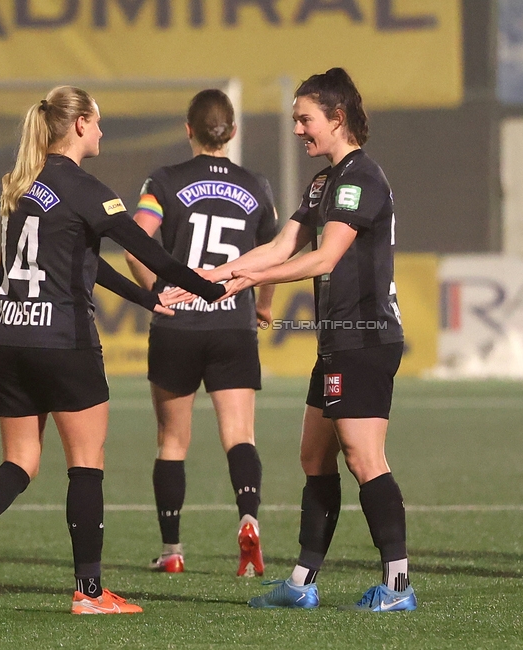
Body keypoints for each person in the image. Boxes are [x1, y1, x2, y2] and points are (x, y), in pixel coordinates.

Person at [0, 85, 225, 616]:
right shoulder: (87, 188)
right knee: (86, 462)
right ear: (82, 124)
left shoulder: (21, 188)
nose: (104, 132)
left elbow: (87, 261)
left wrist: (146, 298)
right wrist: (214, 287)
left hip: (10, 336)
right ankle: (89, 593)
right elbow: (151, 251)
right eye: (99, 122)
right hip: (63, 341)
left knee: (20, 460)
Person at [196, 68, 414, 611]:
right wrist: (215, 277)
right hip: (337, 341)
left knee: (365, 460)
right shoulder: (324, 181)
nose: (297, 129)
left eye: (305, 118)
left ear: (337, 118)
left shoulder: (361, 176)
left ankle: (399, 587)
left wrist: (251, 281)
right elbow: (279, 246)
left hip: (365, 339)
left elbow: (323, 257)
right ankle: (301, 583)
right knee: (314, 457)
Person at [124, 89, 277, 577]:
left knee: (172, 441)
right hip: (232, 322)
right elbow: (271, 258)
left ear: (187, 129)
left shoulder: (164, 181)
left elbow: (134, 243)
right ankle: (248, 521)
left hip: (179, 325)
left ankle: (171, 550)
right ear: (231, 133)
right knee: (240, 435)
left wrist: (158, 295)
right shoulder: (258, 186)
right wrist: (264, 306)